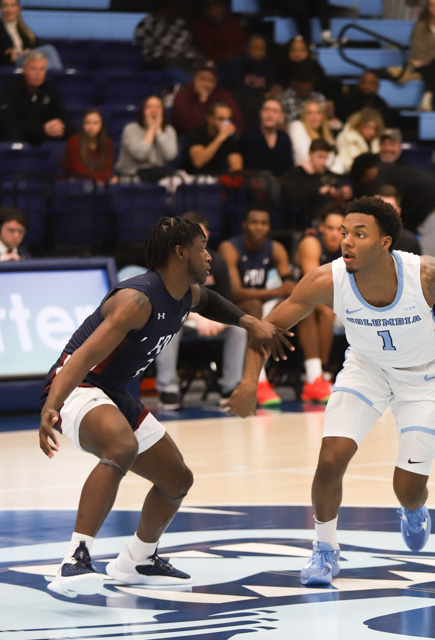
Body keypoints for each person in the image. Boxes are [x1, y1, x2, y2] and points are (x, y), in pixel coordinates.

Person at [222, 196, 435, 586]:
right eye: (345, 233)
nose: (347, 241)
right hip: (366, 369)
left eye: (360, 234)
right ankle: (325, 550)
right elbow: (266, 329)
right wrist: (248, 382)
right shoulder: (326, 280)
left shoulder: (426, 273)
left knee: (406, 489)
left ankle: (414, 508)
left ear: (385, 242)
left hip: (423, 376)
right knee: (331, 459)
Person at [38, 216, 292, 597]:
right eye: (202, 248)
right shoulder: (136, 300)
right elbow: (81, 358)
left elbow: (210, 302)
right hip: (76, 385)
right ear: (179, 252)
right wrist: (51, 407)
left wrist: (248, 322)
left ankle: (137, 559)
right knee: (120, 448)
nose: (209, 257)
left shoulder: (186, 292)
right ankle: (76, 557)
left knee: (177, 480)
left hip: (113, 392)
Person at [218, 207, 297, 404]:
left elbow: (288, 284)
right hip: (233, 306)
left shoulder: (276, 248)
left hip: (261, 305)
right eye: (254, 222)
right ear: (244, 225)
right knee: (253, 305)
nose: (259, 227)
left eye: (264, 223)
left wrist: (286, 286)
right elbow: (235, 291)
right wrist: (276, 291)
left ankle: (313, 375)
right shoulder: (230, 248)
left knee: (287, 307)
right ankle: (257, 379)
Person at [154, 213, 232, 410]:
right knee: (167, 325)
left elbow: (226, 299)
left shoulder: (218, 261)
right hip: (180, 317)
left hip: (212, 319)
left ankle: (231, 389)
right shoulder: (169, 262)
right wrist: (196, 317)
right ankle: (168, 390)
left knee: (238, 328)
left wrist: (219, 318)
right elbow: (166, 302)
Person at [352, 152, 435, 257]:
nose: (367, 184)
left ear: (366, 171)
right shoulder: (398, 171)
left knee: (423, 266)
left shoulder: (382, 176)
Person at [291, 205, 344, 402]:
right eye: (330, 228)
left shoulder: (350, 246)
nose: (334, 234)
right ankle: (317, 375)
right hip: (298, 302)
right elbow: (314, 284)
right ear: (321, 227)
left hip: (337, 302)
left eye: (340, 229)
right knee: (318, 309)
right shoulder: (311, 243)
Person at [0, 51, 69, 145]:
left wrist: (59, 125)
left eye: (42, 69)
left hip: (44, 136)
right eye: (33, 69)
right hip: (21, 136)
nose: (38, 73)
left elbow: (62, 115)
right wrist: (41, 128)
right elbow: (5, 121)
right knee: (13, 134)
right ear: (24, 70)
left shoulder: (50, 88)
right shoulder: (12, 88)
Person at [282, 139, 351, 230]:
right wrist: (317, 192)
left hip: (327, 222)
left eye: (326, 158)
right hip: (302, 225)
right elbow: (292, 200)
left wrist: (344, 190)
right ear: (310, 154)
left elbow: (341, 180)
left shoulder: (325, 173)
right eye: (320, 157)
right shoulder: (296, 175)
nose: (324, 162)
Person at [0, 0, 64, 69]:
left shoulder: (24, 30)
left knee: (47, 55)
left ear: (18, 9)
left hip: (28, 59)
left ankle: (58, 75)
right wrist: (8, 54)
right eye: (6, 6)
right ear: (0, 9)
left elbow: (37, 45)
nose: (9, 10)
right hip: (13, 63)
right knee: (48, 50)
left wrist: (28, 51)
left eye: (13, 6)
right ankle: (60, 76)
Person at [220, 34, 282, 127]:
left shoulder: (268, 66)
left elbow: (273, 88)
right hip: (238, 106)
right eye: (256, 48)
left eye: (262, 49)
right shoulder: (235, 64)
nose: (260, 52)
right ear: (246, 48)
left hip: (259, 107)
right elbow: (229, 90)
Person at [171, 62, 244, 139]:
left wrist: (227, 129)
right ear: (194, 79)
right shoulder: (183, 95)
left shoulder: (222, 95)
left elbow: (238, 123)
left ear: (216, 82)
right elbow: (188, 127)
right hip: (190, 138)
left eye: (211, 80)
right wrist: (202, 101)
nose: (206, 84)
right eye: (202, 79)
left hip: (219, 135)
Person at [115, 95, 178, 181]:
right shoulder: (131, 129)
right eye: (150, 107)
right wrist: (152, 129)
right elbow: (141, 154)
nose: (154, 110)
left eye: (157, 107)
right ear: (143, 111)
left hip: (159, 176)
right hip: (132, 178)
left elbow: (170, 155)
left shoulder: (169, 130)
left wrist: (158, 131)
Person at [134, 0, 201, 78]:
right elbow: (141, 45)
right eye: (169, 7)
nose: (172, 10)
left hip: (184, 58)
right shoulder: (147, 23)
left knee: (203, 67)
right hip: (158, 58)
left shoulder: (180, 22)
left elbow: (185, 43)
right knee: (171, 64)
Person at [182, 102, 242, 177]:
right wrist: (220, 138)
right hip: (194, 180)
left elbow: (236, 168)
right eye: (221, 119)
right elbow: (198, 162)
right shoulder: (197, 134)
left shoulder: (230, 138)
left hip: (219, 181)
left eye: (228, 119)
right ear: (210, 118)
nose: (225, 123)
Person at [240, 98, 293, 178]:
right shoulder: (249, 135)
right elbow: (251, 166)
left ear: (282, 117)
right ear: (260, 113)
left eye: (275, 111)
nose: (269, 115)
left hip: (279, 184)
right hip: (254, 183)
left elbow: (287, 167)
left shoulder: (284, 138)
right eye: (266, 110)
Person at [61, 108, 116, 184]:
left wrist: (100, 181)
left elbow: (107, 169)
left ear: (101, 125)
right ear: (82, 124)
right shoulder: (74, 141)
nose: (91, 127)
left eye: (95, 123)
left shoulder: (108, 143)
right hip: (78, 183)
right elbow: (78, 170)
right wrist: (97, 181)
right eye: (87, 123)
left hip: (100, 183)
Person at [288, 99, 337, 168]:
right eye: (309, 113)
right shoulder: (297, 127)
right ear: (304, 116)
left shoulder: (326, 136)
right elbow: (305, 156)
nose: (314, 117)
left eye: (318, 113)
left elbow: (333, 159)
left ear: (322, 116)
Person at [374, 186, 421, 255]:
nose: (382, 214)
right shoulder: (358, 237)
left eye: (388, 209)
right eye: (377, 209)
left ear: (398, 212)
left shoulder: (409, 242)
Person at [335, 108, 383, 173]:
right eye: (369, 127)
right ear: (360, 124)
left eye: (375, 129)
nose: (372, 132)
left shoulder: (376, 142)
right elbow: (347, 163)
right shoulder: (348, 138)